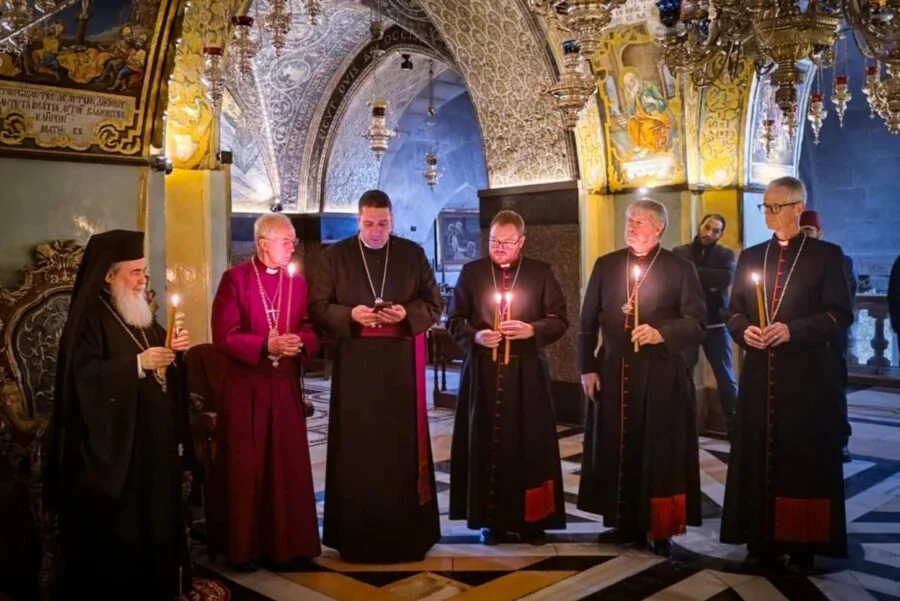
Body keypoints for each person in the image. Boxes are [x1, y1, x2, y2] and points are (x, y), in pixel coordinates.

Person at [48, 229, 194, 599]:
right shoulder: (90, 318)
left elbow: (162, 363)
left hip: (153, 443)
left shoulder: (139, 311)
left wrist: (173, 350)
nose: (143, 280)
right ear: (109, 275)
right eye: (134, 272)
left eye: (144, 271)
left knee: (157, 518)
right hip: (117, 447)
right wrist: (136, 365)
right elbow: (83, 378)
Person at [721, 177, 853, 570]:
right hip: (761, 376)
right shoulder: (751, 257)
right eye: (765, 207)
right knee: (758, 453)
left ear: (799, 207)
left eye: (777, 207)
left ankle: (802, 542)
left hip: (808, 378)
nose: (770, 215)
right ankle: (759, 536)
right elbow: (733, 311)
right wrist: (744, 330)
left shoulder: (827, 256)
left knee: (801, 459)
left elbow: (839, 314)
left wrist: (792, 330)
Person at [309, 189, 442, 563]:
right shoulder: (335, 256)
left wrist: (405, 314)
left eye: (383, 223)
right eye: (369, 223)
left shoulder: (411, 254)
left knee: (400, 448)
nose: (376, 231)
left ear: (392, 220)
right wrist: (351, 315)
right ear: (358, 221)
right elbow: (318, 307)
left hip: (400, 368)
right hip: (356, 368)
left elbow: (434, 304)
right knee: (358, 448)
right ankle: (355, 536)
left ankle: (406, 535)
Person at [577, 199, 706, 557]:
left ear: (659, 228)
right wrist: (586, 366)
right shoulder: (607, 265)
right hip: (613, 371)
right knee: (617, 446)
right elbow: (587, 323)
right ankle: (623, 522)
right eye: (629, 220)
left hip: (660, 373)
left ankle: (659, 528)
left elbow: (697, 322)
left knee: (657, 451)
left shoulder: (680, 269)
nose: (630, 226)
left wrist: (663, 332)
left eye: (639, 221)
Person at [447, 210, 568, 547]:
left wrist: (531, 329)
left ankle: (534, 522)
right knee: (487, 444)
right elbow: (454, 320)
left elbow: (559, 320)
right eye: (493, 241)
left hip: (526, 373)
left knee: (531, 447)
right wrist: (476, 336)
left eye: (506, 242)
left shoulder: (540, 273)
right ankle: (491, 521)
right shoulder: (472, 273)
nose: (498, 248)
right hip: (483, 374)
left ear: (522, 242)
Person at [210, 213, 320, 569]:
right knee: (249, 468)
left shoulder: (297, 284)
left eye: (294, 242)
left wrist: (298, 343)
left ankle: (290, 547)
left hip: (284, 386)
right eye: (286, 241)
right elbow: (224, 335)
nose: (292, 247)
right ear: (262, 244)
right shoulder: (235, 281)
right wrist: (265, 346)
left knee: (286, 466)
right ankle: (246, 549)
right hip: (247, 389)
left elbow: (309, 327)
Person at [673, 213, 739, 438]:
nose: (709, 233)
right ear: (700, 225)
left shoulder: (725, 254)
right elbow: (675, 279)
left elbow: (725, 279)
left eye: (715, 230)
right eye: (707, 227)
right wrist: (705, 279)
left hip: (716, 325)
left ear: (720, 234)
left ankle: (734, 426)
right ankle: (683, 425)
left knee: (725, 376)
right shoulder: (680, 252)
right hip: (688, 323)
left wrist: (693, 274)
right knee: (682, 374)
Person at [799, 209, 856, 462]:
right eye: (802, 232)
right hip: (802, 338)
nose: (805, 236)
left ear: (819, 233)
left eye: (809, 232)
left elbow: (844, 300)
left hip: (830, 337)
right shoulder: (793, 261)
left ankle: (840, 440)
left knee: (833, 391)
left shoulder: (838, 258)